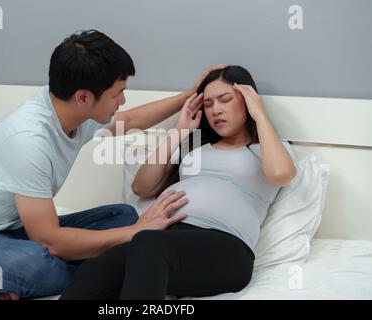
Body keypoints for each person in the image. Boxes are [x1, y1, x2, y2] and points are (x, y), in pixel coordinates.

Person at [0, 29, 222, 299]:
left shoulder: (73, 110)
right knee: (36, 262)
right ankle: (102, 273)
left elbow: (130, 121)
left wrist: (189, 95)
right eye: (117, 94)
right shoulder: (26, 141)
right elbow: (48, 240)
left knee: (122, 215)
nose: (122, 100)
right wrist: (136, 234)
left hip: (19, 229)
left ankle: (85, 273)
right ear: (83, 97)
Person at [60, 65, 297, 300]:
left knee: (148, 245)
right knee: (94, 270)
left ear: (247, 100)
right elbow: (140, 187)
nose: (216, 110)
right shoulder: (195, 148)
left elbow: (281, 174)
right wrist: (179, 131)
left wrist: (260, 114)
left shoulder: (266, 149)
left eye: (225, 100)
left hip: (227, 248)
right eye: (208, 104)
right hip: (165, 240)